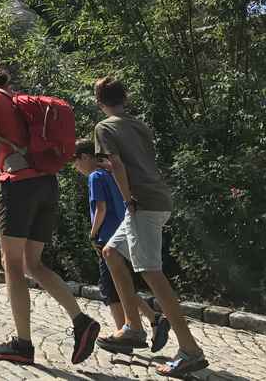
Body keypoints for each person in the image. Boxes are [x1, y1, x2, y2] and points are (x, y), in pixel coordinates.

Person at [0, 59, 100, 366]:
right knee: (33, 263)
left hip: (19, 185)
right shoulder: (16, 99)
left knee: (11, 263)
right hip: (46, 184)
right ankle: (81, 322)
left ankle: (22, 344)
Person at [92, 76, 209, 377]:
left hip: (142, 203)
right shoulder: (139, 125)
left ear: (98, 101)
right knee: (112, 254)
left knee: (152, 274)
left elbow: (116, 164)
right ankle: (133, 328)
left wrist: (127, 197)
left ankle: (190, 351)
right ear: (125, 97)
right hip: (158, 198)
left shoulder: (104, 127)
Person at [71, 141, 171, 352]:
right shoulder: (111, 174)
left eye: (75, 160)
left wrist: (93, 233)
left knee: (111, 289)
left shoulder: (95, 177)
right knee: (122, 286)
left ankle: (125, 335)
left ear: (86, 157)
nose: (74, 166)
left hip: (107, 237)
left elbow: (101, 207)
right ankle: (153, 320)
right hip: (124, 232)